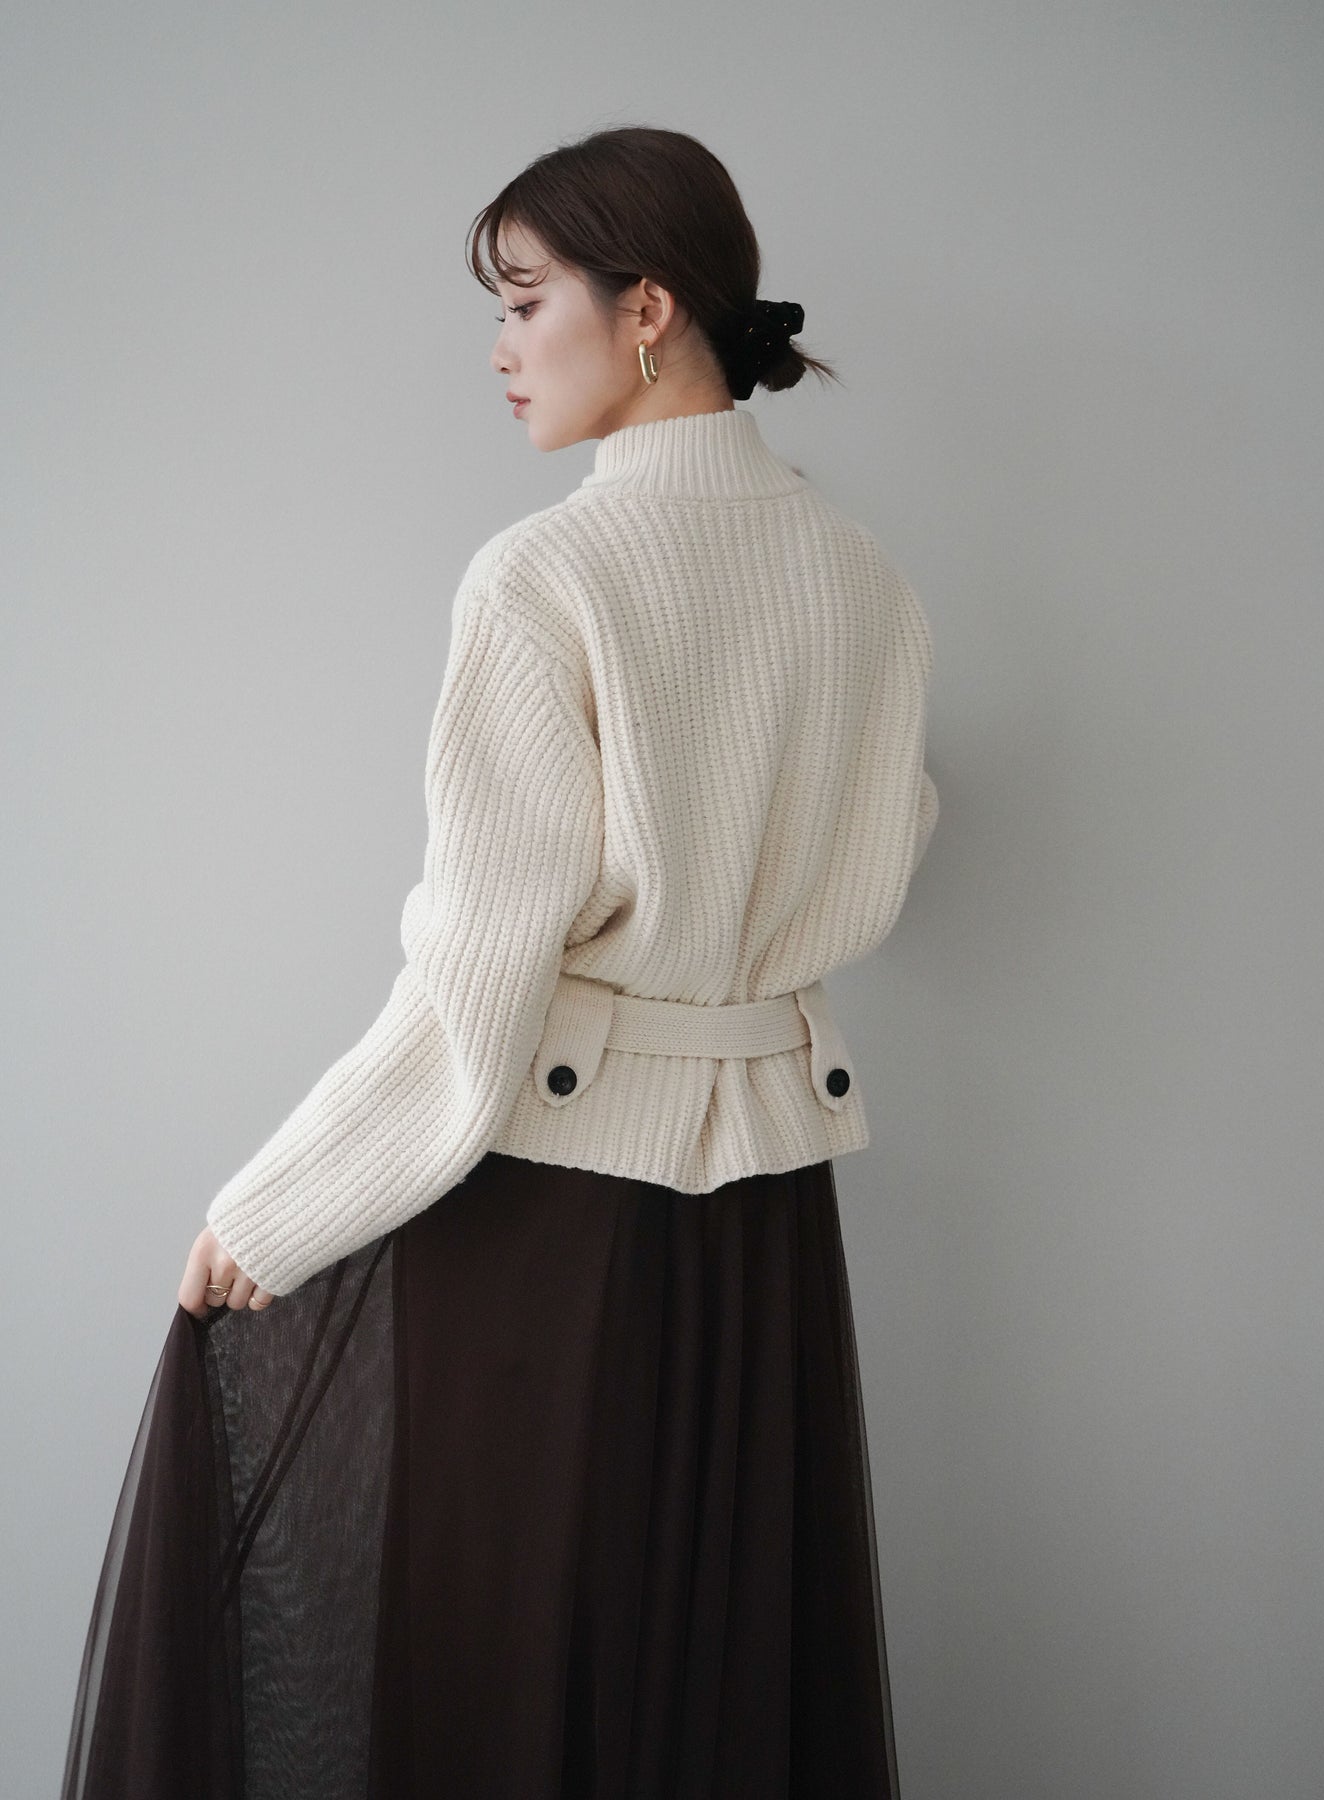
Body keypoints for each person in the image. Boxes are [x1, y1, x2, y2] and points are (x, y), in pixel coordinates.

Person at [60, 123, 938, 1800]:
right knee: (710, 1668)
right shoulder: (863, 579)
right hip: (765, 1221)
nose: (498, 348)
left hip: (552, 1211)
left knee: (505, 1674)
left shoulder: (548, 575)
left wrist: (274, 1208)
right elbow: (882, 857)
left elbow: (478, 972)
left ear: (647, 308)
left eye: (526, 302)